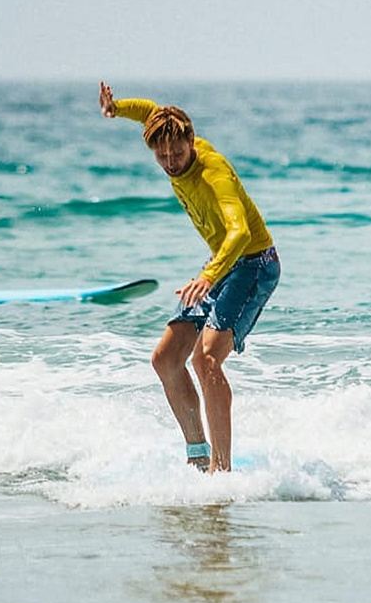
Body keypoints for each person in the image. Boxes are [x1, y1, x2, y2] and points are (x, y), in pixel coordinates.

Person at [99, 81, 280, 473]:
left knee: (207, 360)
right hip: (220, 265)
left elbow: (240, 233)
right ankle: (198, 457)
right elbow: (149, 111)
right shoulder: (167, 132)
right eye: (161, 155)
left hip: (253, 263)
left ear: (191, 141)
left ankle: (222, 470)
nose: (170, 161)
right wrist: (117, 108)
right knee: (165, 359)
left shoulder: (214, 173)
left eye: (177, 153)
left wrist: (210, 275)